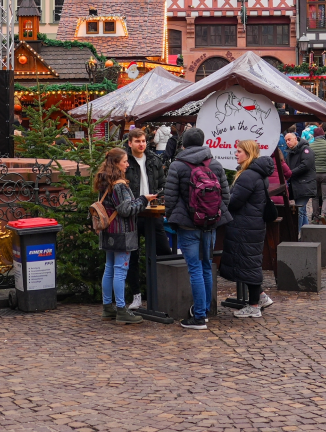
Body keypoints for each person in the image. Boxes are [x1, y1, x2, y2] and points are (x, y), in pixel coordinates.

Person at [158, 126, 231, 331]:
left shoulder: (178, 165)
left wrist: (173, 218)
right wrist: (214, 216)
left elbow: (170, 198)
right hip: (210, 224)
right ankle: (204, 311)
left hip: (188, 225)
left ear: (184, 144)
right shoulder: (214, 164)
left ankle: (198, 317)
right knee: (206, 266)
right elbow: (225, 196)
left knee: (195, 269)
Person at [93, 147, 148, 324]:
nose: (127, 164)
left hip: (108, 231)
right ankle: (121, 310)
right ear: (116, 163)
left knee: (109, 268)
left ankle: (107, 307)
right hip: (122, 233)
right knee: (120, 270)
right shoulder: (119, 185)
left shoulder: (104, 181)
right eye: (124, 161)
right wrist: (144, 200)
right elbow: (125, 210)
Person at [219, 140, 273, 318]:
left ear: (248, 154)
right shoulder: (257, 174)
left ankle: (254, 306)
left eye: (239, 151)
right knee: (249, 262)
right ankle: (261, 296)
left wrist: (223, 199)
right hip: (252, 224)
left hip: (245, 226)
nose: (236, 154)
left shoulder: (248, 175)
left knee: (249, 264)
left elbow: (234, 202)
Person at [121, 127, 165, 312]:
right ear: (130, 143)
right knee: (132, 255)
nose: (141, 144)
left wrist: (159, 196)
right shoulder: (124, 161)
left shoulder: (154, 160)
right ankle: (136, 295)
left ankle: (163, 291)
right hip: (133, 213)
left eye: (144, 141)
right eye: (137, 141)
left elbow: (162, 183)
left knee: (163, 250)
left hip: (153, 213)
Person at [284, 131, 316, 231]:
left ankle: (296, 234)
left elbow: (305, 165)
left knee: (299, 210)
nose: (287, 142)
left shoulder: (306, 150)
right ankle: (306, 233)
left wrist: (291, 173)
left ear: (295, 139)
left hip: (305, 184)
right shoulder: (290, 152)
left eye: (289, 140)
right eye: (286, 141)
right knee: (302, 211)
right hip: (297, 185)